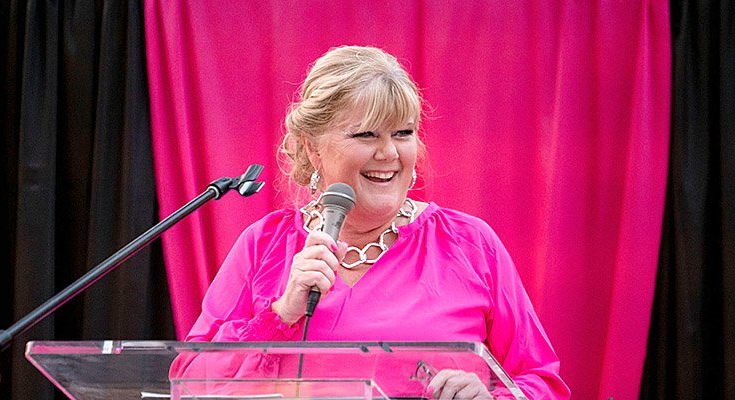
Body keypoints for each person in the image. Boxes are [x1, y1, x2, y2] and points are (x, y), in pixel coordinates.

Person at [181, 45, 570, 399]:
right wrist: (281, 313)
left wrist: (493, 398)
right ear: (312, 148)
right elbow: (189, 382)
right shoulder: (263, 244)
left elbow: (540, 380)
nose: (388, 153)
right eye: (366, 134)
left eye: (403, 133)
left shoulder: (470, 243)